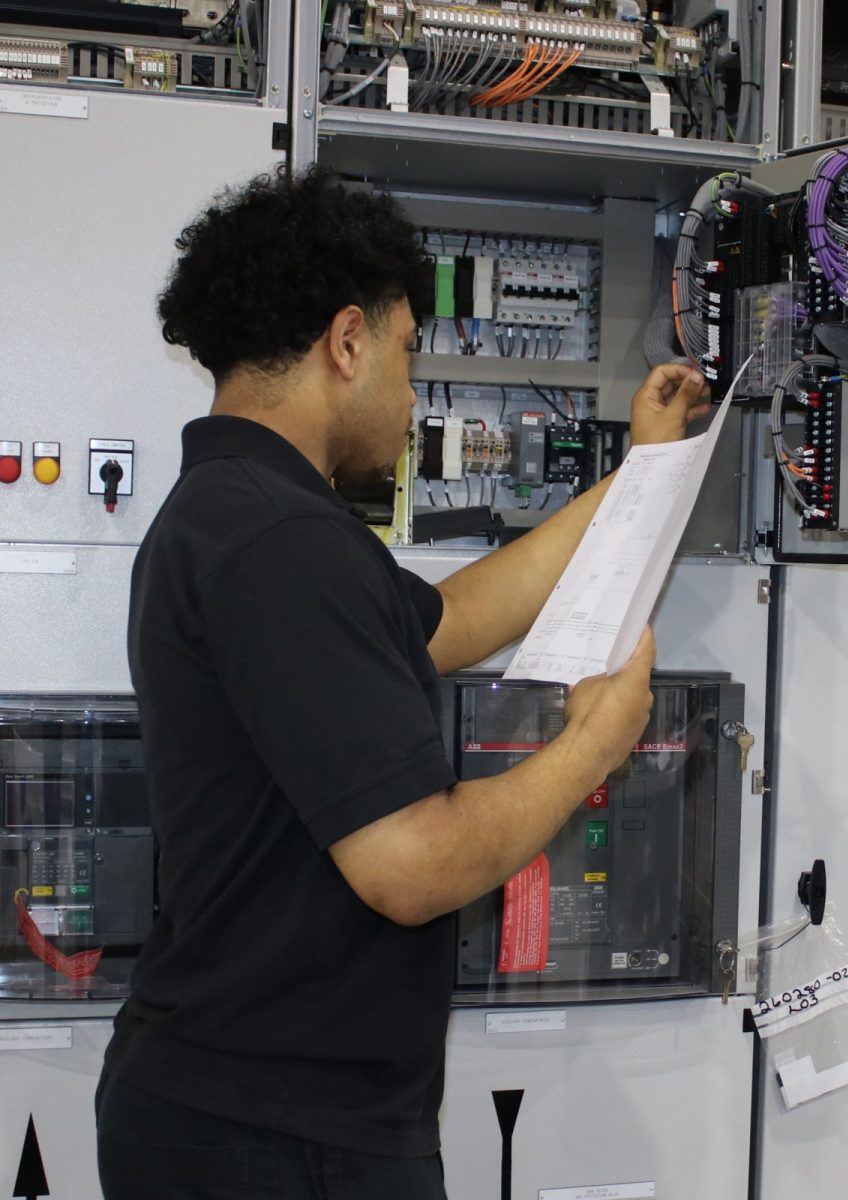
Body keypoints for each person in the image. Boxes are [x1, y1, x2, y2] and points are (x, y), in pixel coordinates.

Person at [94, 165, 708, 1199]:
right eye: (408, 353)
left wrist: (640, 471)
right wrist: (596, 745)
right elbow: (413, 867)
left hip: (235, 1107)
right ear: (346, 342)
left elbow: (457, 619)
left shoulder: (237, 515)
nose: (412, 393)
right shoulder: (283, 542)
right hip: (276, 1132)